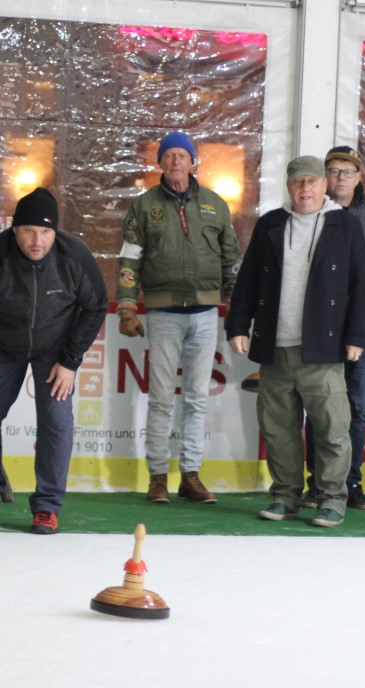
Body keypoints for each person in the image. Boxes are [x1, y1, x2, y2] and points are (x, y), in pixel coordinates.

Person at [225, 155, 365, 528]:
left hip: (324, 351)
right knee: (278, 429)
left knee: (332, 429)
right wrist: (238, 326)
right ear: (289, 186)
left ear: (324, 185)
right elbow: (247, 283)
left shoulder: (346, 226)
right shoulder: (271, 224)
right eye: (297, 182)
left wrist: (358, 336)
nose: (305, 189)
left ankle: (333, 499)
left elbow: (363, 286)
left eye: (312, 182)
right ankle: (284, 496)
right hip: (275, 349)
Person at [0, 187, 107, 535]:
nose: (37, 241)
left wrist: (70, 361)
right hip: (1, 342)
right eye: (28, 231)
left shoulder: (73, 255)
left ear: (56, 232)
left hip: (55, 346)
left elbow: (96, 305)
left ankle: (47, 505)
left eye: (45, 232)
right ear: (14, 229)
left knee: (56, 419)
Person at [116, 131, 240, 504]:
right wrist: (126, 306)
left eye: (181, 156)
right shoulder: (143, 207)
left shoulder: (216, 206)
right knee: (160, 399)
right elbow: (129, 260)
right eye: (168, 156)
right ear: (159, 163)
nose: (175, 162)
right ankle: (157, 478)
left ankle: (190, 475)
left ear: (192, 161)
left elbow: (230, 260)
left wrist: (235, 306)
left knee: (197, 398)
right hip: (163, 313)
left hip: (205, 314)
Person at [301, 146, 365, 511]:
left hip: (364, 332)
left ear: (360, 178)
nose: (340, 177)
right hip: (319, 331)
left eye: (347, 171)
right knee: (319, 408)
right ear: (324, 177)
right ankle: (317, 484)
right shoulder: (310, 215)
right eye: (333, 170)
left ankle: (350, 482)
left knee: (357, 408)